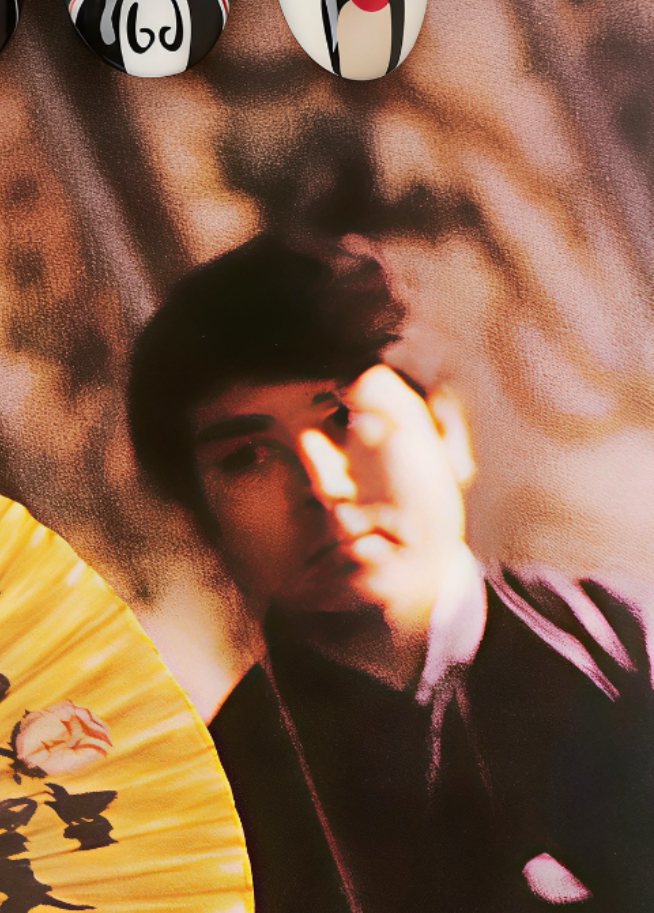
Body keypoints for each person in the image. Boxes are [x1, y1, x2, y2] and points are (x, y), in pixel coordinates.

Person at [126, 231, 654, 913]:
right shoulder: (211, 812)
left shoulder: (628, 641)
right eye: (247, 457)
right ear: (202, 525)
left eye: (344, 419)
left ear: (448, 429)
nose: (324, 486)